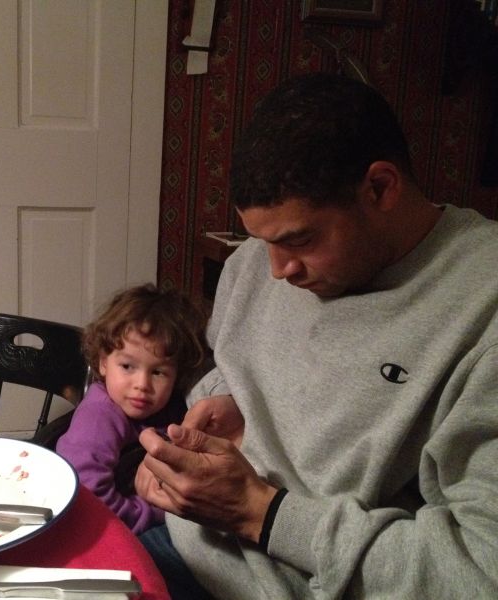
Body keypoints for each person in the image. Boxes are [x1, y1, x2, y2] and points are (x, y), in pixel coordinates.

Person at [135, 72, 498, 599]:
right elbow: (237, 360)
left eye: (299, 240)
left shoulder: (482, 312)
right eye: (262, 242)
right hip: (184, 544)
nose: (276, 270)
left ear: (381, 188)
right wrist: (228, 399)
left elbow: (480, 572)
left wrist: (260, 513)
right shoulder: (254, 263)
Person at [56, 283, 207, 534]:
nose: (142, 385)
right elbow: (88, 498)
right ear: (104, 363)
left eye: (158, 372)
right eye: (127, 367)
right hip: (109, 528)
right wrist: (156, 513)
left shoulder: (174, 406)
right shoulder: (99, 417)